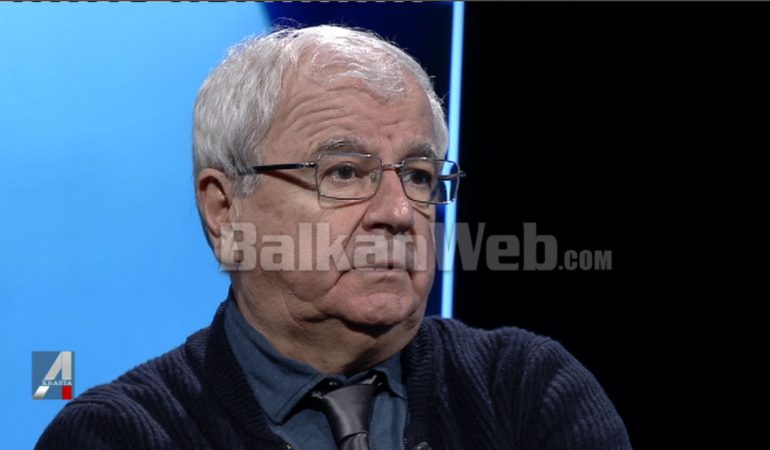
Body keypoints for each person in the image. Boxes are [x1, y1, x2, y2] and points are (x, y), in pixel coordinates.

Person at [36, 25, 631, 450]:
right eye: (344, 172)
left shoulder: (526, 390)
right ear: (225, 211)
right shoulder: (120, 434)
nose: (399, 212)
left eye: (419, 175)